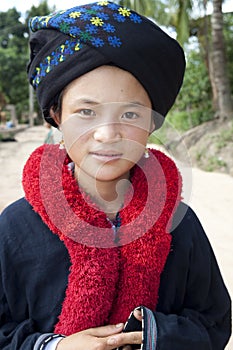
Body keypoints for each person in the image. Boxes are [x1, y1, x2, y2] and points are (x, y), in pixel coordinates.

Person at [0, 2, 231, 350]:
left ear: (152, 123)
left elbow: (214, 321)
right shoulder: (14, 229)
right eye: (86, 111)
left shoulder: (180, 226)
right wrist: (56, 347)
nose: (108, 134)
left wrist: (153, 336)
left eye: (131, 113)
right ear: (55, 114)